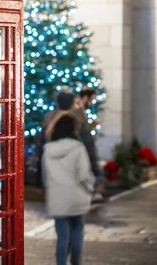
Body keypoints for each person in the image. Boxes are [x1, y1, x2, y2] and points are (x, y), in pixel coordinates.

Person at [42, 112, 95, 265]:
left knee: (62, 237)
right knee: (78, 229)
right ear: (73, 129)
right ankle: (76, 261)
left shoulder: (48, 149)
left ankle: (61, 263)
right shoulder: (78, 147)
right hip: (77, 196)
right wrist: (91, 188)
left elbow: (46, 176)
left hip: (58, 198)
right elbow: (84, 175)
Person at [72, 88, 104, 201]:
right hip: (82, 146)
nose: (91, 103)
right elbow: (83, 130)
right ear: (85, 98)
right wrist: (94, 123)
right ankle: (95, 193)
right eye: (91, 100)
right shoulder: (76, 110)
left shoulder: (77, 109)